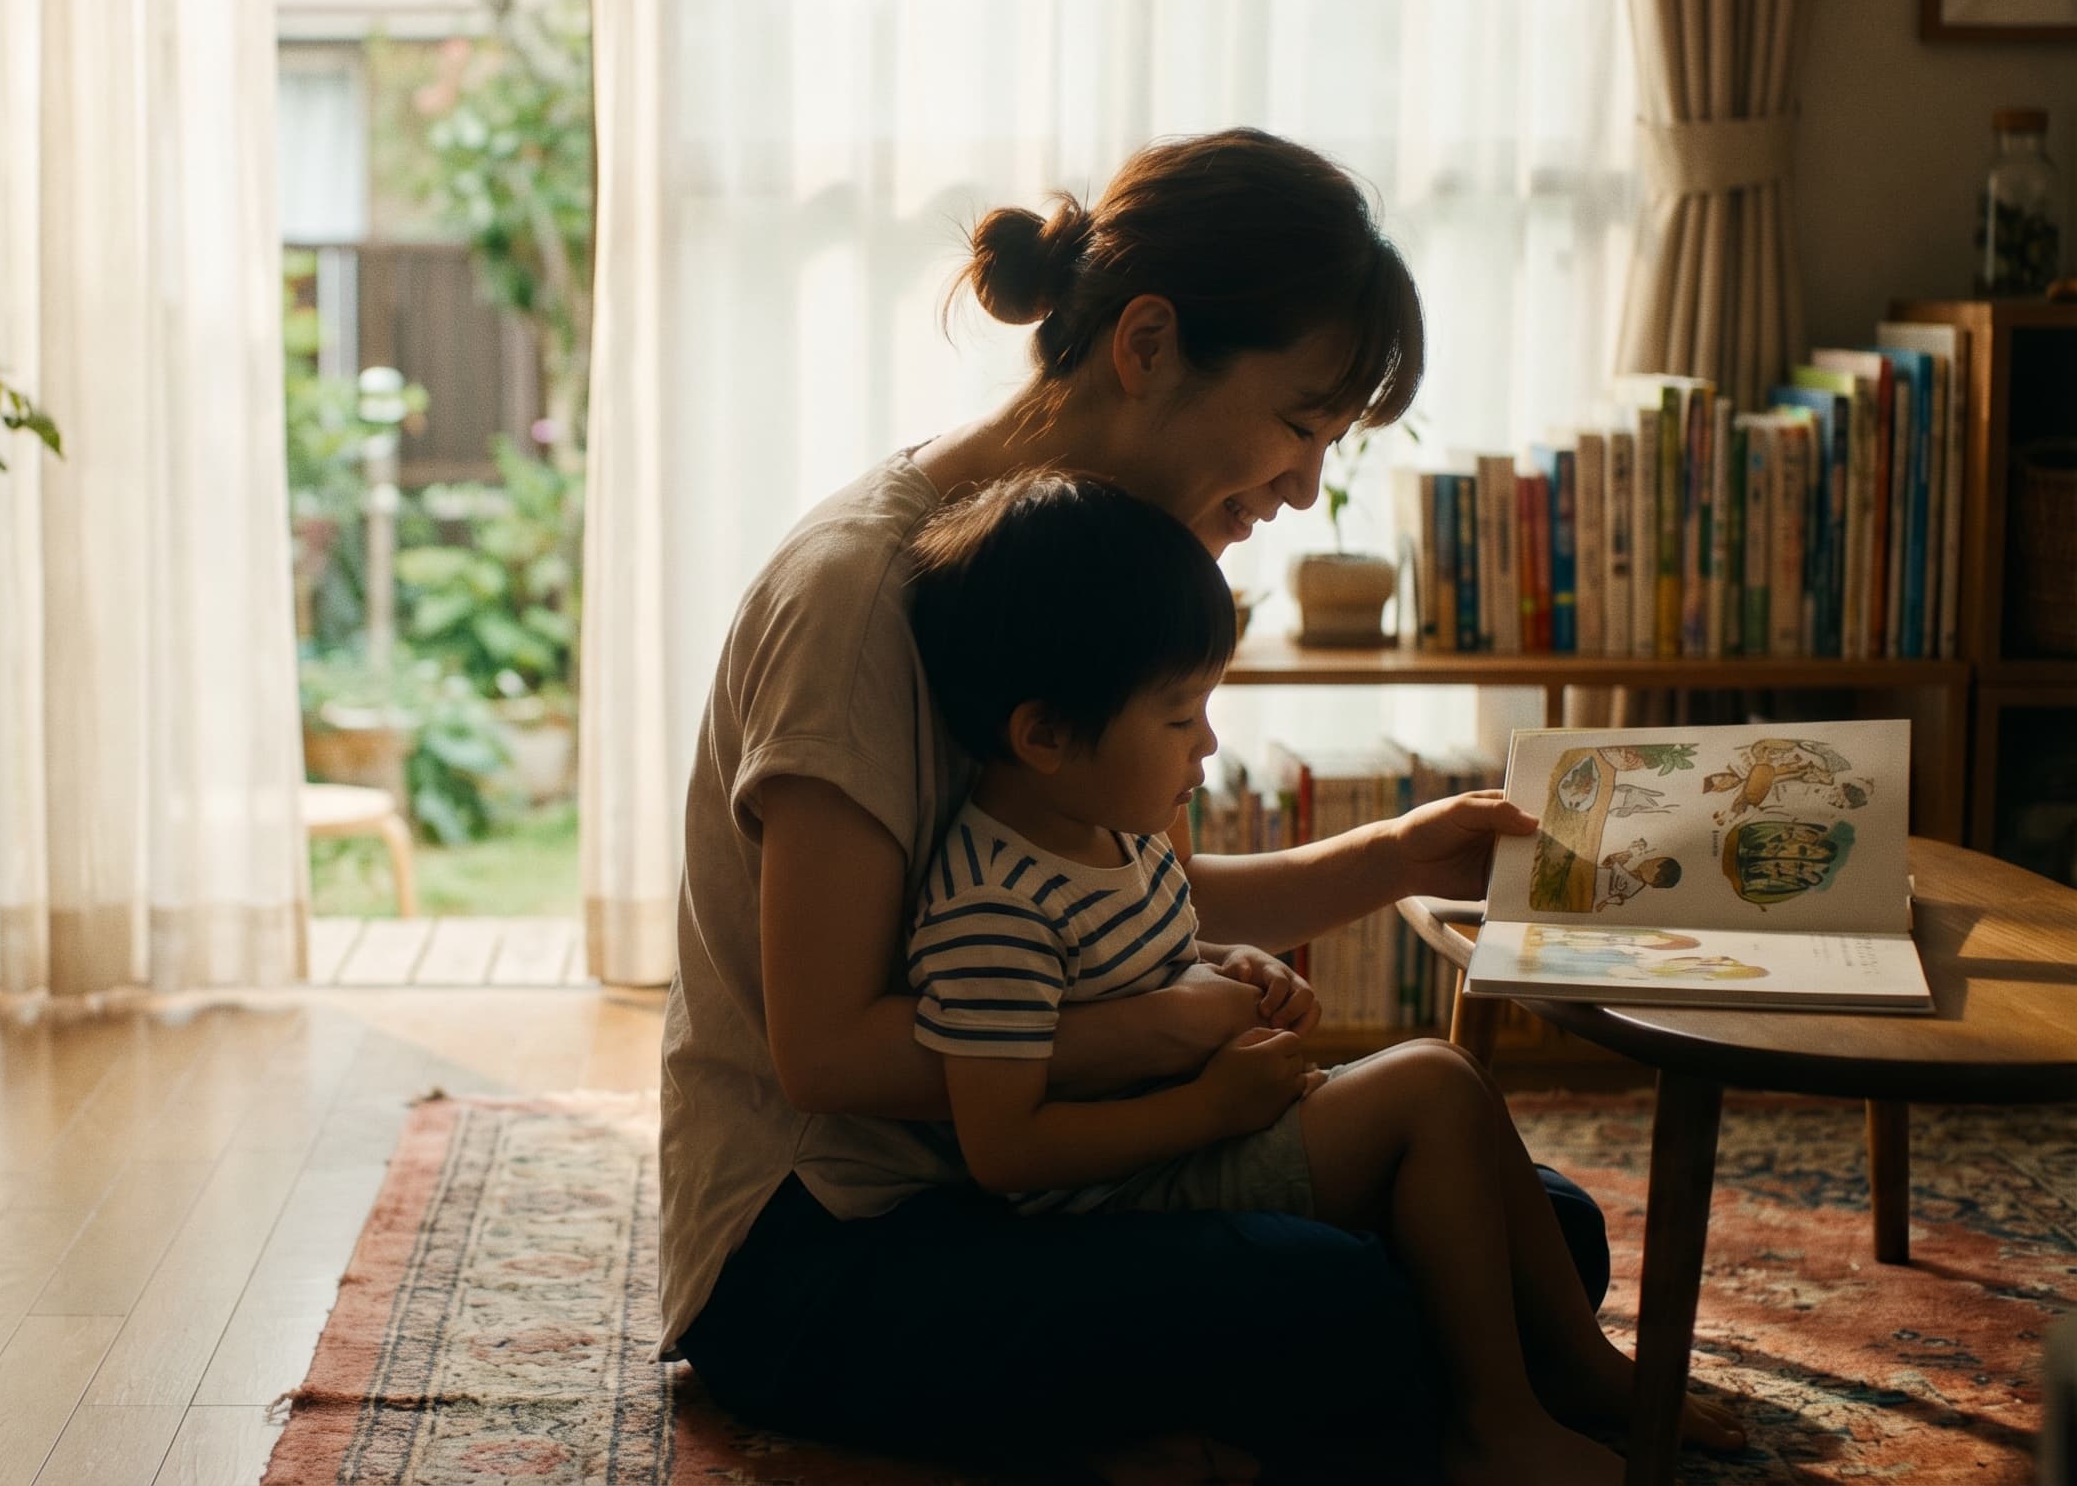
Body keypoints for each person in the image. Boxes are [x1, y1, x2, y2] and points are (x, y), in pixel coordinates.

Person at [660, 130, 1658, 1480]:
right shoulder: (861, 598)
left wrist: (1405, 853)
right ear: (1146, 343)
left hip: (1054, 1183)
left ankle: (1174, 1431)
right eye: (1301, 422)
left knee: (1533, 1228)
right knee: (1350, 1300)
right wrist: (1158, 1032)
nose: (1309, 483)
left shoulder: (1101, 567)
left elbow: (1147, 896)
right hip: (832, 1241)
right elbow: (826, 1053)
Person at [804, 469, 1739, 1484]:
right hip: (1130, 1193)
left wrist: (1226, 967)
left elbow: (1139, 966)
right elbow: (1005, 1149)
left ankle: (1586, 1370)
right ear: (1043, 735)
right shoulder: (991, 903)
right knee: (1431, 1086)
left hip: (1198, 1133)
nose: (1206, 746)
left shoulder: (1112, 839)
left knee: (1481, 1137)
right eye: (1178, 718)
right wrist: (1209, 1108)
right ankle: (1494, 1423)